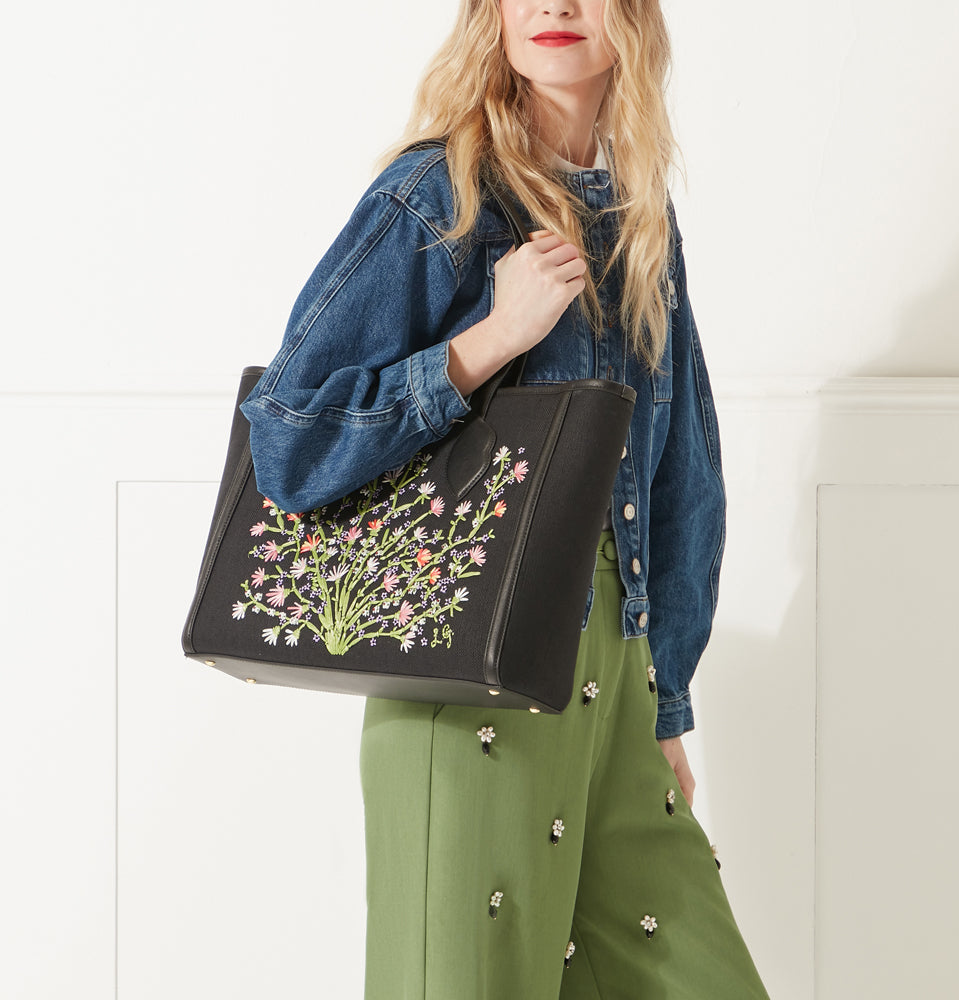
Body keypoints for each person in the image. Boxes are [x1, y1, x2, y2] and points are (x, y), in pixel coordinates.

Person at [240, 1, 770, 996]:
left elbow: (680, 472)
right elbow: (286, 437)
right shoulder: (440, 195)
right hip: (468, 689)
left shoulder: (637, 218)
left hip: (610, 685)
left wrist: (663, 703)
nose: (556, 5)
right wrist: (487, 339)